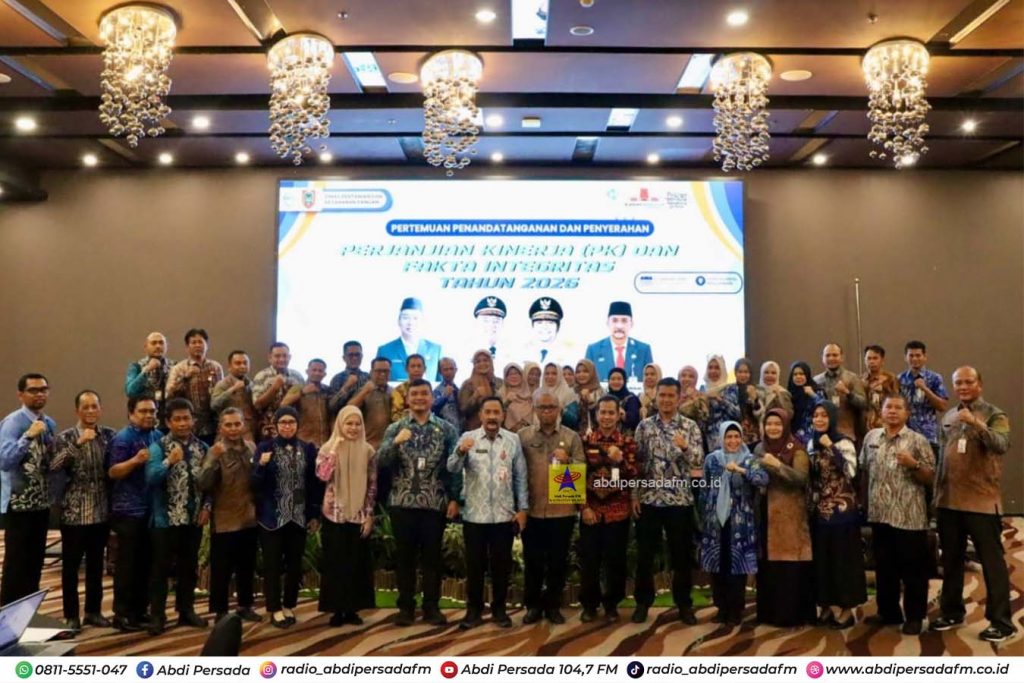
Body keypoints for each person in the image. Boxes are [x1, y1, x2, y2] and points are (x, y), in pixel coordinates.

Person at [931, 366, 1015, 642]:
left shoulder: (995, 414)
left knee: (992, 564)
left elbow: (1001, 444)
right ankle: (952, 612)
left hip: (981, 502)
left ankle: (1002, 622)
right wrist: (936, 497)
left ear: (980, 384)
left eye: (968, 382)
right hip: (949, 502)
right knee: (951, 561)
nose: (963, 387)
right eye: (958, 383)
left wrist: (977, 423)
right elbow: (942, 459)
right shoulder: (949, 416)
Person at [378, 379, 460, 626]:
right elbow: (381, 462)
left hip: (434, 503)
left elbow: (455, 467)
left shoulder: (446, 429)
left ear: (432, 398)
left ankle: (431, 607)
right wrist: (395, 443)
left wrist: (455, 498)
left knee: (432, 559)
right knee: (405, 559)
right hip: (402, 502)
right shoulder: (396, 428)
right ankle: (405, 608)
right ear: (407, 399)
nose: (420, 398)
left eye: (424, 393)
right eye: (414, 394)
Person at [447, 397, 528, 630]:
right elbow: (451, 467)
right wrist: (460, 452)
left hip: (503, 516)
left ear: (503, 415)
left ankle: (499, 610)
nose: (492, 417)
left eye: (496, 412)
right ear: (481, 415)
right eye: (488, 412)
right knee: (475, 567)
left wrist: (523, 509)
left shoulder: (513, 440)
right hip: (475, 516)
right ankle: (473, 611)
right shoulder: (467, 438)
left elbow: (520, 477)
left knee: (501, 567)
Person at [631, 377, 705, 624]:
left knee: (681, 557)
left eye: (670, 395)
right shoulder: (644, 427)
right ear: (656, 397)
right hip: (649, 499)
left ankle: (684, 604)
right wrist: (635, 494)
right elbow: (636, 464)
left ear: (678, 397)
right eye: (661, 395)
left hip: (679, 501)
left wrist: (685, 448)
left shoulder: (689, 427)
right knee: (645, 556)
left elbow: (699, 461)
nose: (665, 400)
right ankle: (642, 603)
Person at [859, 395, 935, 635]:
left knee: (913, 571)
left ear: (907, 413)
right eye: (888, 407)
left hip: (909, 517)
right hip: (879, 515)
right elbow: (864, 471)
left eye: (898, 408)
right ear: (881, 411)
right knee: (884, 567)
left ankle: (915, 616)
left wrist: (914, 464)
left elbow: (930, 477)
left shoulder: (918, 440)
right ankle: (888, 612)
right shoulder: (871, 438)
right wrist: (864, 504)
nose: (892, 411)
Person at [518, 389, 585, 625]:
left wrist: (569, 461)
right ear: (535, 409)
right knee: (533, 561)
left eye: (551, 407)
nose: (547, 412)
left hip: (562, 510)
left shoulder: (571, 437)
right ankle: (533, 606)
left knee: (558, 561)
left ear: (559, 410)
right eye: (542, 407)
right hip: (532, 510)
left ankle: (553, 606)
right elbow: (516, 472)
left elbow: (581, 468)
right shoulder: (523, 436)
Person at [51, 390, 115, 630]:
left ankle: (93, 611)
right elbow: (53, 466)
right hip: (74, 513)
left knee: (96, 565)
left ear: (100, 409)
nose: (90, 411)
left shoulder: (109, 436)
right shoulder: (65, 437)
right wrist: (77, 445)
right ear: (77, 411)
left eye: (94, 406)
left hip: (101, 511)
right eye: (85, 407)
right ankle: (71, 616)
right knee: (70, 568)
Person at [252, 407, 322, 628]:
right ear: (276, 425)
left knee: (294, 565)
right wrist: (261, 465)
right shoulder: (265, 448)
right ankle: (274, 608)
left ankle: (289, 605)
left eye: (291, 422)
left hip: (298, 517)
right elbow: (254, 484)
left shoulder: (307, 449)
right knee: (272, 565)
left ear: (297, 425)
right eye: (283, 422)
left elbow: (313, 484)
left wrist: (314, 514)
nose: (287, 426)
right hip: (271, 518)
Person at [145, 398, 209, 635]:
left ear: (193, 420)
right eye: (177, 419)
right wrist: (168, 462)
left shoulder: (202, 447)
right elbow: (151, 478)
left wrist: (207, 507)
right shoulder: (158, 447)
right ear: (168, 422)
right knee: (160, 570)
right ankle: (157, 616)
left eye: (186, 418)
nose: (183, 423)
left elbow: (211, 483)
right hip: (165, 520)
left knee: (188, 568)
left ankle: (186, 610)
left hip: (193, 519)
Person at [701, 422, 768, 626]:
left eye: (736, 437)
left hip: (740, 522)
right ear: (722, 438)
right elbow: (705, 487)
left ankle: (735, 610)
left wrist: (740, 470)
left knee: (736, 566)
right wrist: (705, 514)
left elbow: (763, 479)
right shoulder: (712, 459)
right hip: (715, 522)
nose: (733, 441)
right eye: (728, 437)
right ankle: (721, 608)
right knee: (718, 565)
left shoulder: (749, 460)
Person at [197, 408, 260, 623]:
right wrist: (213, 460)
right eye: (228, 425)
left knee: (247, 566)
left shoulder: (251, 448)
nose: (233, 429)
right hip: (224, 519)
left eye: (237, 424)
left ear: (243, 425)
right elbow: (203, 483)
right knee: (221, 569)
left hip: (249, 517)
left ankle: (245, 605)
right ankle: (221, 611)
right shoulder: (215, 451)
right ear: (221, 427)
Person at [579, 394, 638, 623]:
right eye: (602, 412)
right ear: (596, 415)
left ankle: (612, 605)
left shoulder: (627, 442)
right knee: (589, 561)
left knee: (615, 561)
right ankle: (589, 605)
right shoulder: (584, 442)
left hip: (618, 512)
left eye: (611, 412)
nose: (606, 417)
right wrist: (583, 507)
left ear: (618, 415)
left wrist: (621, 460)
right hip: (590, 512)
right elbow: (571, 477)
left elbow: (635, 476)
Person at [316, 406, 377, 626]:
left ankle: (352, 610)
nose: (353, 428)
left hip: (358, 515)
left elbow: (372, 485)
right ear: (340, 424)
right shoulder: (327, 448)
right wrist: (334, 450)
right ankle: (336, 610)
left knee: (356, 564)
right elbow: (322, 475)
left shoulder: (368, 450)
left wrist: (369, 515)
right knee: (335, 564)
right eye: (348, 423)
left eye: (357, 424)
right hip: (334, 515)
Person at [807, 401, 866, 629]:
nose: (819, 419)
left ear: (832, 418)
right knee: (823, 562)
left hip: (843, 512)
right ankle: (826, 606)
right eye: (816, 415)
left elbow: (851, 472)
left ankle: (847, 610)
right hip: (820, 513)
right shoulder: (811, 443)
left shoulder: (843, 442)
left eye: (824, 415)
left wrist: (831, 446)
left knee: (844, 562)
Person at [754, 409, 814, 627]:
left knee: (789, 563)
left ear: (786, 425)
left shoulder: (797, 449)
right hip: (765, 511)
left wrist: (778, 465)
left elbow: (801, 479)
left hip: (790, 514)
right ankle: (768, 613)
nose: (773, 428)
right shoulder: (760, 448)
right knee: (768, 563)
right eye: (769, 424)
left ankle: (791, 615)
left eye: (777, 424)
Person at [106, 395, 162, 631]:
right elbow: (113, 471)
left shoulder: (157, 436)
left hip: (151, 509)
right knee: (127, 565)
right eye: (143, 411)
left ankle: (140, 610)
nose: (149, 415)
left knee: (145, 563)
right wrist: (135, 461)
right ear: (131, 413)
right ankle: (122, 614)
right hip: (127, 510)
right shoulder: (123, 438)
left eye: (152, 411)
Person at [0, 374, 56, 606]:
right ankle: (7, 614)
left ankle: (28, 613)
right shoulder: (13, 423)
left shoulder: (49, 423)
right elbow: (5, 461)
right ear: (20, 395)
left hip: (41, 503)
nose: (39, 394)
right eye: (33, 390)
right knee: (16, 563)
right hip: (18, 504)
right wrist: (27, 437)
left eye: (43, 389)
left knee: (35, 562)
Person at [165, 328, 224, 445]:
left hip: (212, 424)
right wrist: (185, 378)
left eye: (200, 342)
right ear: (187, 347)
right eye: (193, 342)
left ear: (207, 345)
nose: (197, 345)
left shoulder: (216, 367)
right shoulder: (179, 368)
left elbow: (221, 394)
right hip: (187, 425)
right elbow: (169, 394)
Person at [898, 341, 949, 457]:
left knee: (928, 466)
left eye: (918, 355)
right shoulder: (900, 379)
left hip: (928, 435)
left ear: (925, 357)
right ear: (905, 357)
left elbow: (942, 406)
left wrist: (925, 389)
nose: (914, 359)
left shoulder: (934, 378)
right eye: (911, 355)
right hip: (905, 434)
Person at [376, 297, 442, 382]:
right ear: (398, 321)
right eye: (405, 317)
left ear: (422, 321)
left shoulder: (435, 350)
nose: (410, 322)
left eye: (415, 318)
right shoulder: (385, 350)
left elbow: (441, 383)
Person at [585, 301, 654, 381]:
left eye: (624, 321)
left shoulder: (644, 350)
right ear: (607, 323)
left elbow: (651, 381)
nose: (619, 326)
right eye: (614, 320)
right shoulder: (593, 350)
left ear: (631, 324)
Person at [814, 343, 867, 445]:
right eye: (828, 355)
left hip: (846, 433)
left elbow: (863, 403)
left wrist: (847, 393)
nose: (831, 358)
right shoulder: (816, 381)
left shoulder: (852, 378)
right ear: (822, 358)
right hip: (822, 435)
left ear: (842, 357)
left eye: (835, 355)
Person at [251, 342, 304, 439]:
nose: (281, 359)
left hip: (293, 429)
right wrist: (274, 388)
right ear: (270, 358)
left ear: (290, 357)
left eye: (285, 356)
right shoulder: (262, 376)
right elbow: (257, 404)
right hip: (269, 430)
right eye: (277, 356)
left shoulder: (297, 376)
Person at [125, 332, 174, 428]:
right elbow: (130, 391)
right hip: (145, 418)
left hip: (169, 419)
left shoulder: (175, 367)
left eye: (161, 343)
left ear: (167, 346)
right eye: (154, 343)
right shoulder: (136, 366)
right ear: (145, 347)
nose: (158, 346)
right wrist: (147, 370)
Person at [210, 350, 256, 442]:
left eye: (245, 363)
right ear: (229, 367)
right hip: (227, 431)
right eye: (238, 363)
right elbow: (214, 405)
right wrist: (232, 389)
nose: (242, 366)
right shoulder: (222, 384)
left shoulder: (251, 384)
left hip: (247, 432)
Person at [722, 358, 764, 448]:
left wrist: (755, 399)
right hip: (734, 435)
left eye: (746, 372)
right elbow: (732, 413)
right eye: (740, 372)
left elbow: (760, 415)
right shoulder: (729, 390)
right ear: (735, 373)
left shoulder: (757, 390)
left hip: (753, 437)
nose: (743, 375)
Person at [703, 355, 739, 452]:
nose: (713, 371)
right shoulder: (702, 390)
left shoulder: (730, 388)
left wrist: (719, 399)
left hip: (729, 440)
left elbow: (737, 414)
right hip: (708, 442)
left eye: (717, 368)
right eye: (710, 367)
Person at [522, 297, 573, 367]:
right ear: (532, 326)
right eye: (539, 323)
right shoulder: (522, 352)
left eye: (550, 322)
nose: (545, 327)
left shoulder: (569, 354)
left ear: (558, 327)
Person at [458, 350, 502, 432]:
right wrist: (475, 396)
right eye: (478, 361)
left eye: (485, 360)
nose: (482, 364)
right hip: (475, 429)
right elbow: (463, 410)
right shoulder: (468, 384)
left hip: (497, 427)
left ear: (491, 362)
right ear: (474, 365)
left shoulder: (499, 383)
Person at [327, 341, 370, 417]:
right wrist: (346, 386)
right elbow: (332, 407)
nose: (355, 358)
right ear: (344, 358)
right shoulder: (337, 379)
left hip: (365, 421)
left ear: (362, 356)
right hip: (345, 421)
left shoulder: (368, 377)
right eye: (351, 355)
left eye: (357, 355)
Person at [861, 345, 899, 431]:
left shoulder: (891, 379)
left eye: (875, 358)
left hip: (885, 425)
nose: (872, 362)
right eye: (869, 358)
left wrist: (884, 389)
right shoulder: (861, 380)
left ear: (882, 360)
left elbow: (896, 401)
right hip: (864, 426)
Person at [296, 358, 331, 448]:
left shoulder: (328, 390)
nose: (317, 373)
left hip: (325, 443)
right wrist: (302, 392)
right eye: (314, 370)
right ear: (307, 371)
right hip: (304, 442)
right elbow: (283, 404)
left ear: (324, 374)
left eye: (320, 371)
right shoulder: (298, 387)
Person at [788, 361, 823, 445]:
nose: (798, 376)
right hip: (792, 437)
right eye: (795, 374)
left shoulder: (816, 391)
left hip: (813, 436)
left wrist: (813, 395)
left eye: (801, 374)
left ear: (807, 375)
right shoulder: (789, 393)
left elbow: (825, 407)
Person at [540, 362, 578, 430]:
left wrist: (562, 410)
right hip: (540, 432)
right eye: (547, 373)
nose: (550, 376)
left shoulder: (568, 392)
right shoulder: (538, 393)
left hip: (562, 432)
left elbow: (574, 420)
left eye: (554, 373)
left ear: (560, 375)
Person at [390, 354, 427, 423]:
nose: (416, 369)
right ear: (406, 369)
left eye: (419, 366)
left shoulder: (428, 389)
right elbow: (395, 417)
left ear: (425, 369)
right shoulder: (399, 390)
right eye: (413, 366)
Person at [499, 363, 534, 432]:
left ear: (522, 376)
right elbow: (497, 413)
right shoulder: (500, 394)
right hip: (507, 433)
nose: (514, 376)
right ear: (505, 378)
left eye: (516, 373)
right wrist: (507, 402)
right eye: (510, 374)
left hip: (529, 433)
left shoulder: (531, 395)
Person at [474, 295, 508, 365]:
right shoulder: (467, 352)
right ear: (477, 323)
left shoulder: (511, 352)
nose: (491, 325)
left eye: (496, 321)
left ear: (502, 323)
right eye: (486, 320)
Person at [431, 357, 462, 432]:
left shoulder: (459, 390)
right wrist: (444, 396)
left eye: (451, 369)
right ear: (440, 372)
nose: (449, 372)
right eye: (445, 369)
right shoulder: (437, 391)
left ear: (456, 370)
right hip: (443, 429)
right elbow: (432, 408)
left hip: (460, 429)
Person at [606, 368, 641, 433]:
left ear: (624, 381)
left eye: (619, 379)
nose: (616, 382)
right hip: (606, 435)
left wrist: (624, 415)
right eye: (613, 379)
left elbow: (634, 420)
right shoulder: (605, 398)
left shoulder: (631, 398)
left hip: (626, 436)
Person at [573, 359, 602, 437]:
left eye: (585, 371)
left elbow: (602, 416)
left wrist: (590, 402)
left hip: (598, 436)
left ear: (592, 373)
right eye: (578, 372)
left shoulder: (600, 392)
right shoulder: (572, 392)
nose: (581, 374)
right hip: (575, 435)